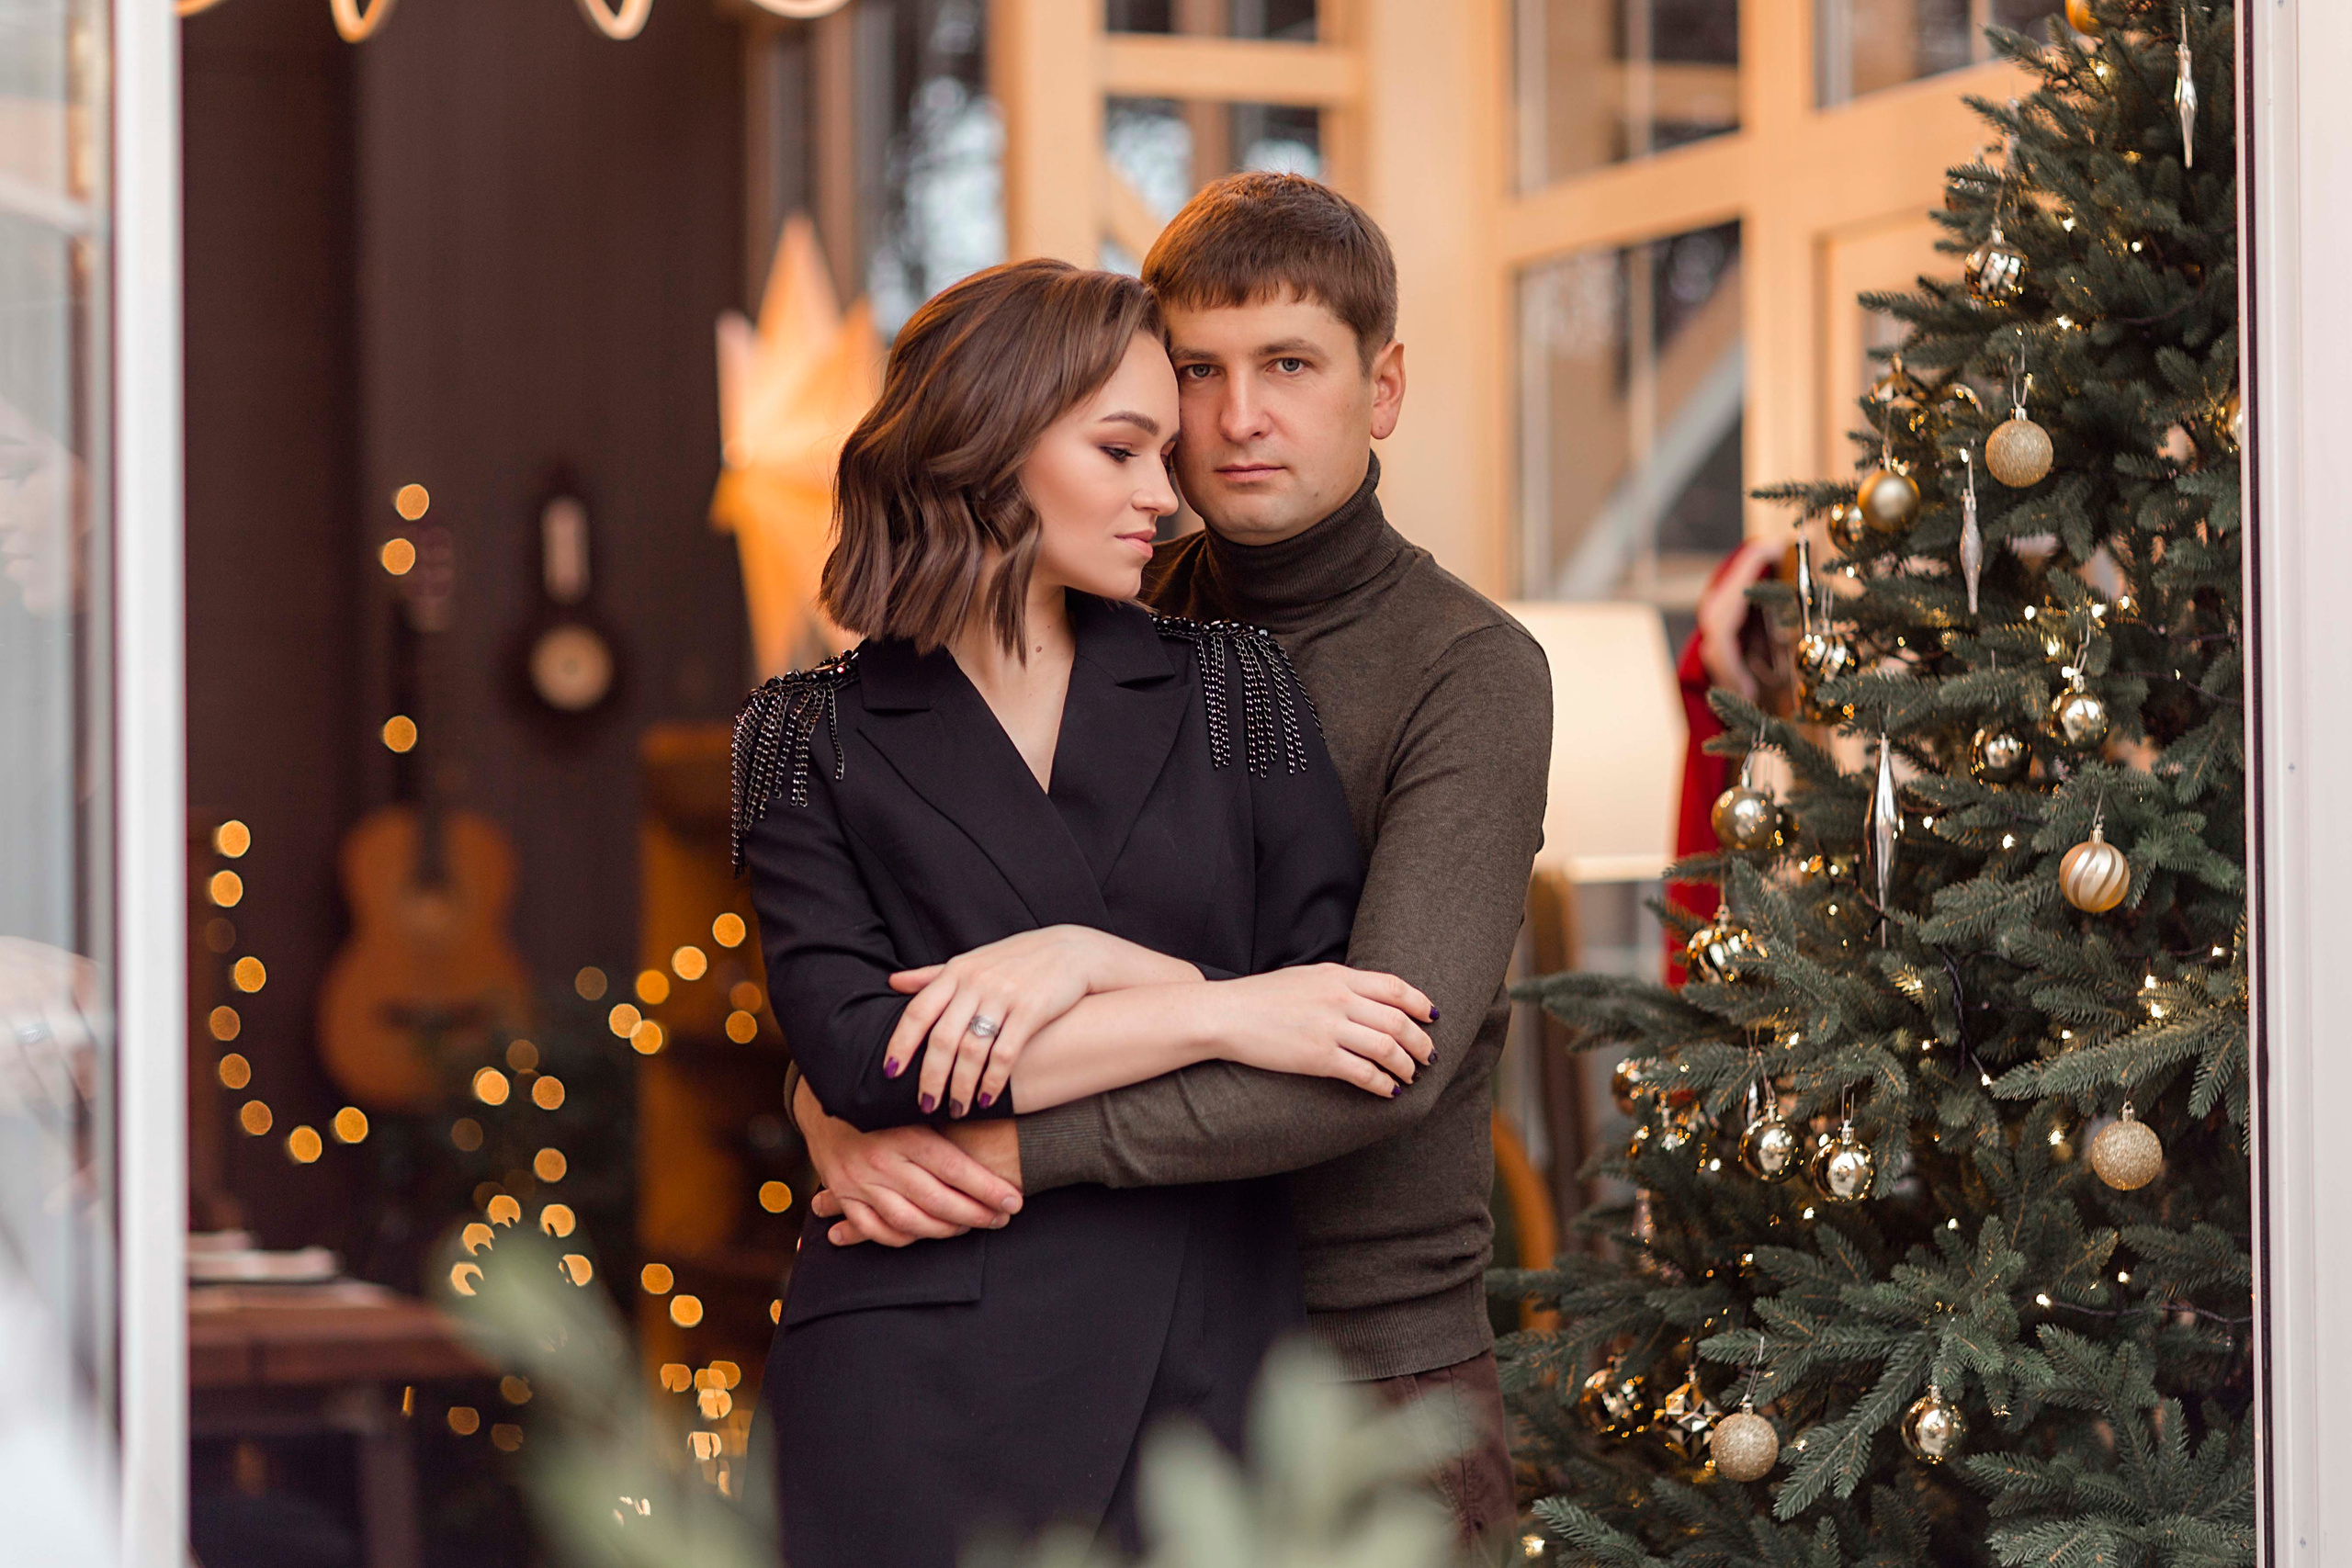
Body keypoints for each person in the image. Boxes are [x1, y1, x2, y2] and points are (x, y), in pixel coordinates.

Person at [789, 173, 1554, 1555]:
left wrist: (987, 1135)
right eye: (1197, 370)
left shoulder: (1470, 670)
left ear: (1382, 389)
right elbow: (904, 925)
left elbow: (1381, 1050)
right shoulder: (1101, 591)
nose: (1236, 418)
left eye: (1290, 366)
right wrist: (831, 1084)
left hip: (1363, 1363)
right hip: (1075, 1345)